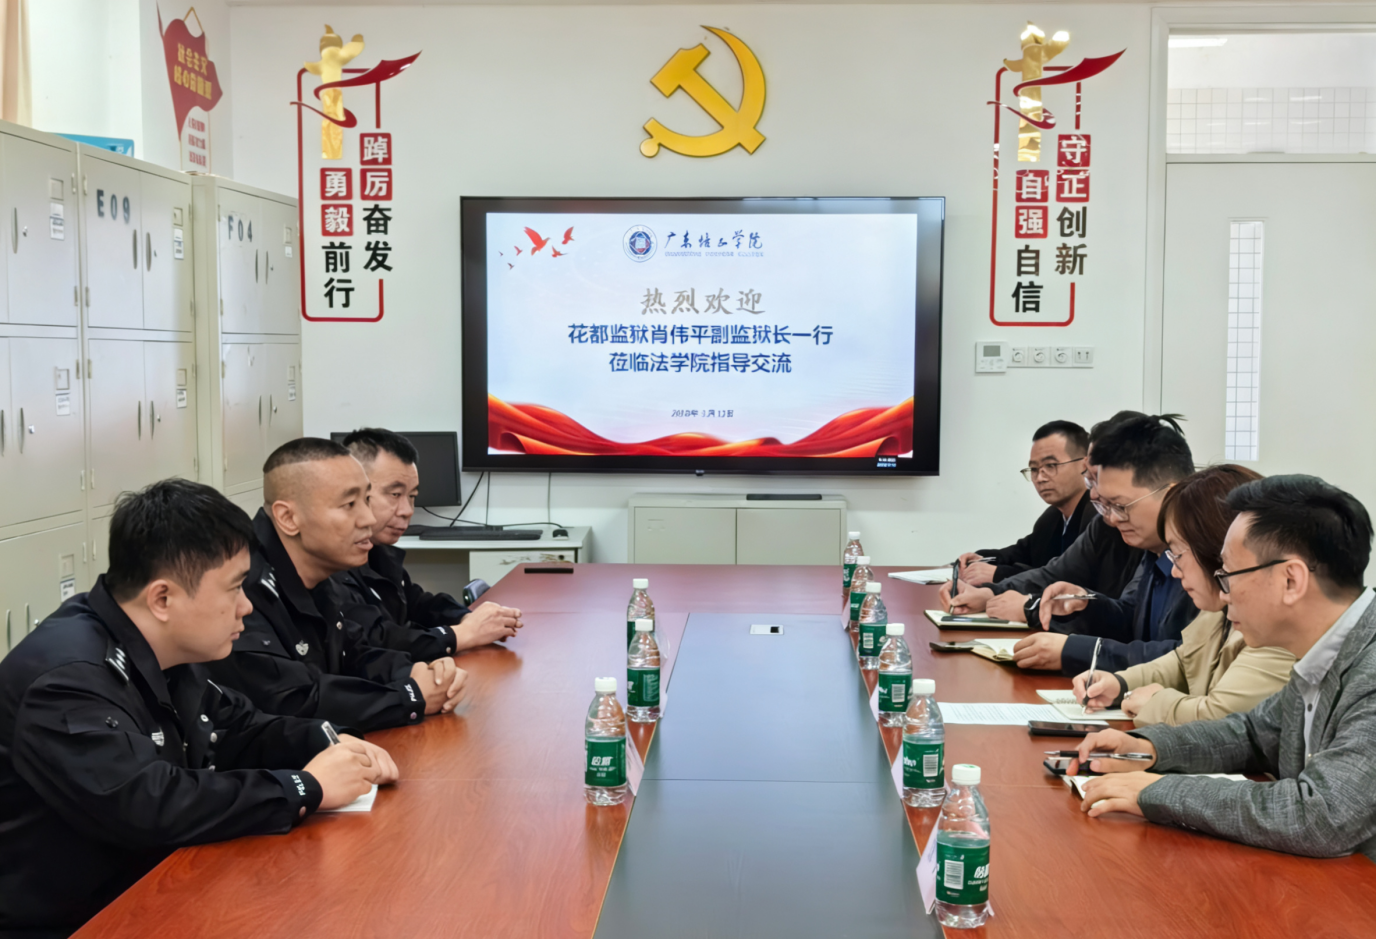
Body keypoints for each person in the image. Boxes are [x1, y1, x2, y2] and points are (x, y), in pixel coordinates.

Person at [0, 480, 398, 936]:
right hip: (78, 923)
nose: (246, 606)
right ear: (162, 598)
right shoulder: (65, 681)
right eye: (234, 588)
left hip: (156, 892)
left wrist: (329, 741)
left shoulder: (163, 647)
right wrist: (304, 787)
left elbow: (237, 726)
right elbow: (149, 804)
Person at [1072, 475, 1376, 861]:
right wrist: (1151, 748)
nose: (1224, 591)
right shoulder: (1323, 654)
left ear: (1291, 580)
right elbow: (1251, 735)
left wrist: (1158, 792)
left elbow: (1320, 815)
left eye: (1229, 575)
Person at [205, 438, 466, 731]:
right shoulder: (242, 587)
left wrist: (415, 671)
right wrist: (408, 696)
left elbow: (353, 653)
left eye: (366, 500)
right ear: (288, 517)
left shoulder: (318, 573)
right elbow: (292, 700)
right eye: (349, 504)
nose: (368, 519)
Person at [1071, 464, 1295, 726]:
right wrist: (1120, 684)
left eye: (1177, 554)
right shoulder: (1219, 610)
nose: (1175, 571)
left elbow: (1222, 720)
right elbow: (1183, 662)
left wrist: (1156, 703)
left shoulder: (1275, 624)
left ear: (1217, 546)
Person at [942, 411, 1171, 623]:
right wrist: (990, 592)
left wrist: (1031, 607)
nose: (1095, 493)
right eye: (1091, 479)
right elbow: (1056, 573)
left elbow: (1130, 624)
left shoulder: (1175, 547)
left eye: (1050, 466)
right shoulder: (1094, 521)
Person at [1014, 414, 1200, 674]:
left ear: (1170, 494)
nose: (1112, 518)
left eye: (1121, 506)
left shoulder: (1207, 557)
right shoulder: (1155, 548)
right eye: (1106, 505)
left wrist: (1076, 652)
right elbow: (1131, 619)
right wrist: (1086, 605)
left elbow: (1188, 658)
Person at [335, 428, 522, 659]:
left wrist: (467, 618)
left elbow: (418, 604)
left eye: (412, 496)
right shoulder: (331, 565)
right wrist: (462, 634)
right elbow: (376, 641)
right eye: (395, 494)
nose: (407, 511)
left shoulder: (380, 552)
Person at [955, 420, 1091, 586]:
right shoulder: (1052, 516)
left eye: (1051, 465)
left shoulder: (1098, 517)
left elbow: (1067, 577)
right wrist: (982, 559)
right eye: (1034, 469)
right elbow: (1020, 553)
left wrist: (1000, 574)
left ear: (1085, 465)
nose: (1040, 478)